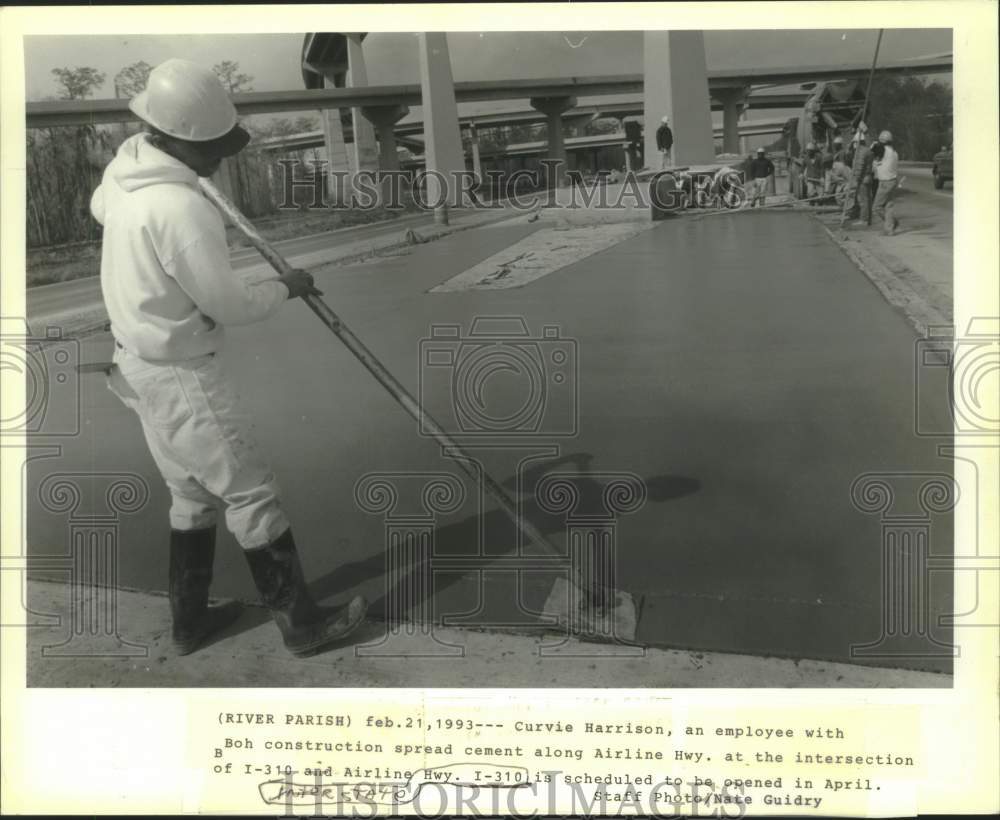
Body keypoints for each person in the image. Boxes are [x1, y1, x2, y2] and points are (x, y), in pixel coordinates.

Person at [90, 58, 368, 658]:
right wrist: (286, 286)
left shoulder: (124, 176)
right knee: (250, 493)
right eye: (213, 146)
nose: (221, 158)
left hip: (136, 368)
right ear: (183, 142)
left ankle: (189, 624)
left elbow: (97, 208)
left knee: (191, 495)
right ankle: (302, 625)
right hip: (182, 375)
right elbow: (232, 304)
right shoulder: (182, 209)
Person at [840, 128, 874, 227]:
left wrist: (855, 180)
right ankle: (868, 219)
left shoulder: (860, 152)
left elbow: (859, 167)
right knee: (867, 199)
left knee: (862, 200)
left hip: (862, 179)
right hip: (868, 177)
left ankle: (864, 220)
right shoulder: (868, 150)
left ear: (857, 142)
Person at [871, 130, 900, 235]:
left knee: (876, 207)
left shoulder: (883, 149)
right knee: (889, 206)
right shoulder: (894, 153)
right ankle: (889, 229)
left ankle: (892, 223)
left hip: (885, 182)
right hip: (893, 181)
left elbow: (874, 149)